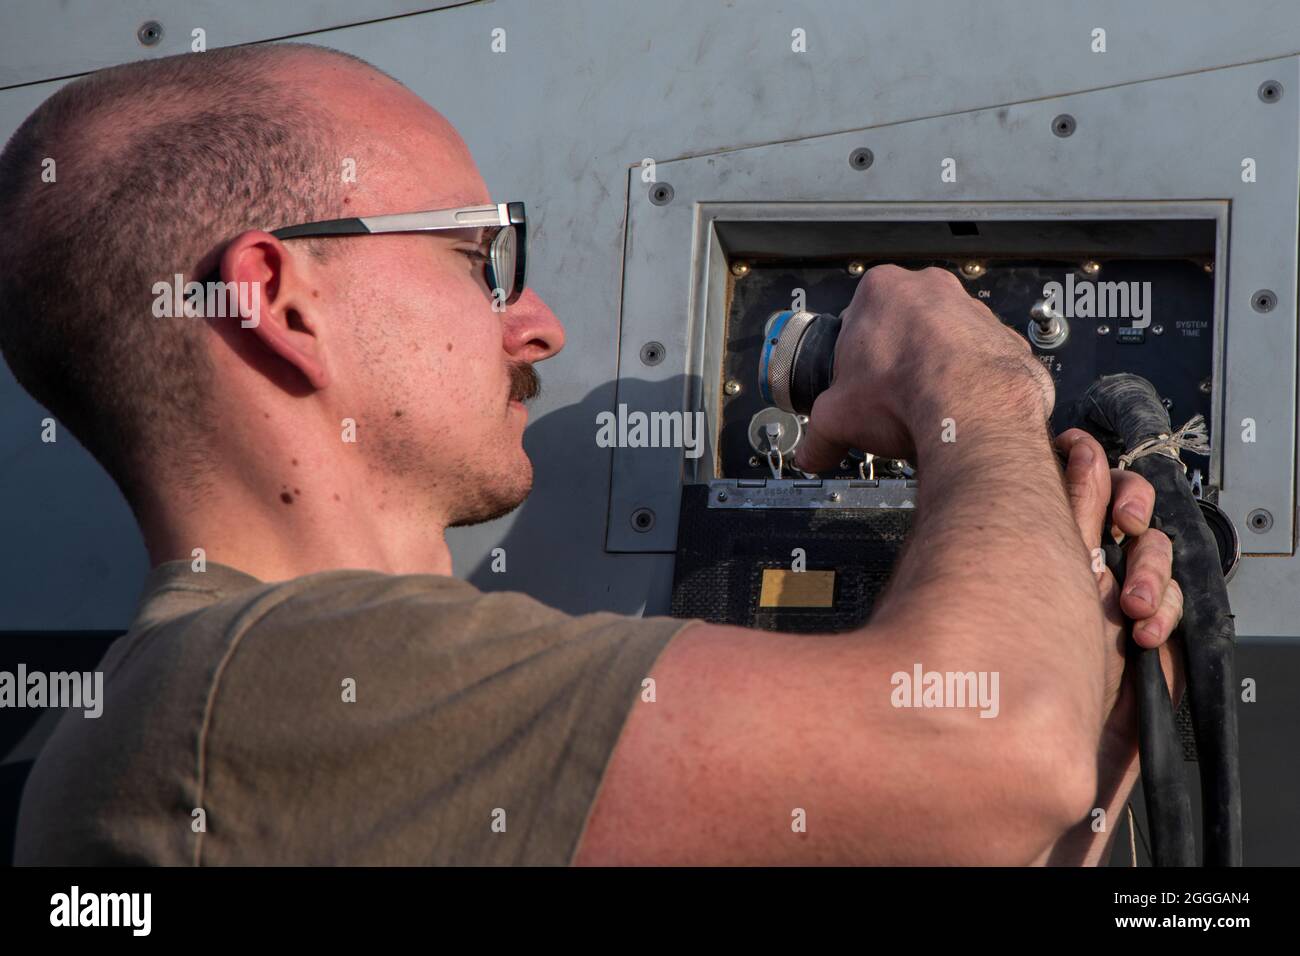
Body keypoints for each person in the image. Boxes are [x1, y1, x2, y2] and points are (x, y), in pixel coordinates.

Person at [0, 43, 1181, 866]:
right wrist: (968, 385)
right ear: (282, 302)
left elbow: (975, 798)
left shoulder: (283, 711)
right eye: (477, 258)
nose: (537, 324)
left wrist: (1094, 710)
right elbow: (991, 759)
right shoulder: (246, 687)